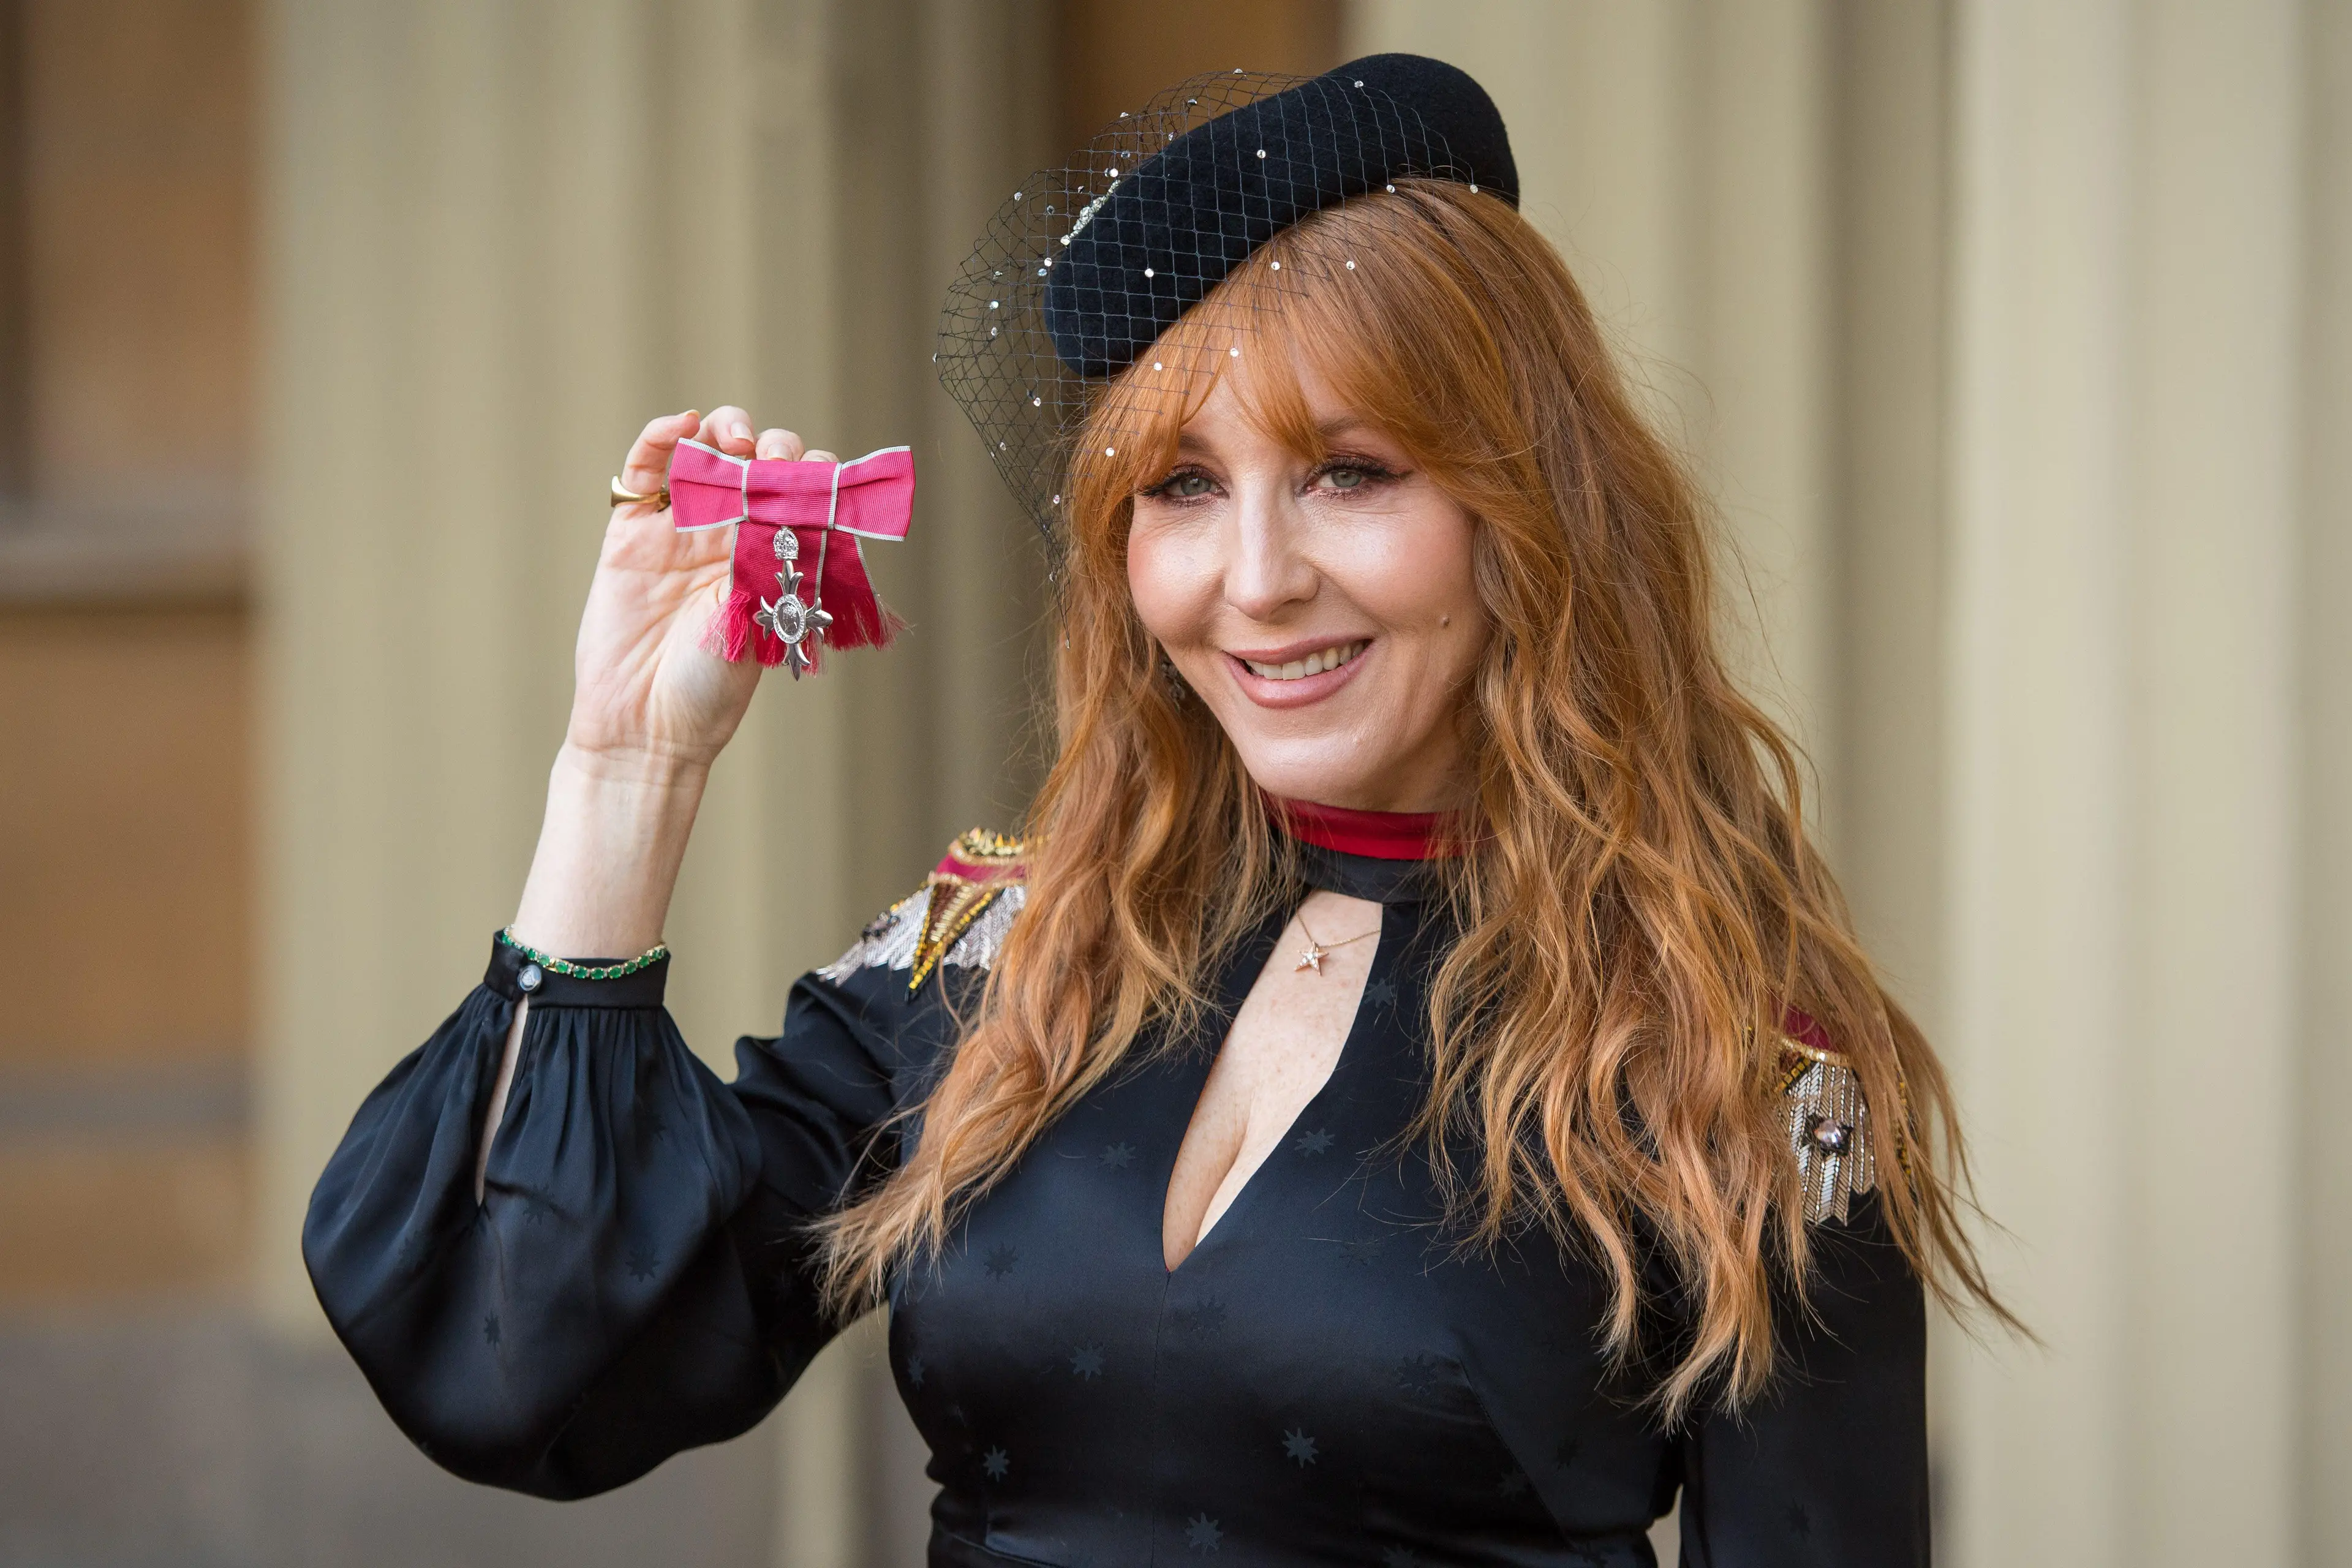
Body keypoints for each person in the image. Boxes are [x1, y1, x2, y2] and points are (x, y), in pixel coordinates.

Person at [306, 55, 2002, 1566]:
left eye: (1350, 470)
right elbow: (522, 1367)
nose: (1255, 581)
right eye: (1184, 488)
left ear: (1525, 508)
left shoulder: (1732, 1064)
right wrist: (626, 766)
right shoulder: (1006, 952)